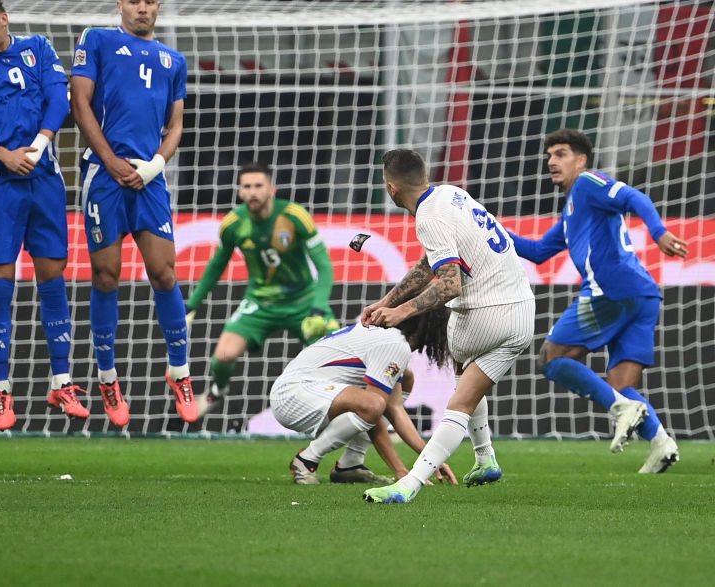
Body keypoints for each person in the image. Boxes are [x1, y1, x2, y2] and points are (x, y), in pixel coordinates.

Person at [506, 128, 687, 473]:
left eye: (560, 154)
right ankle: (662, 443)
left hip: (611, 292)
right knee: (622, 385)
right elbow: (539, 252)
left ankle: (621, 409)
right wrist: (489, 228)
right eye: (549, 156)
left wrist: (658, 230)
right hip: (643, 296)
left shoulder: (589, 183)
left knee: (550, 357)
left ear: (581, 159)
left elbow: (635, 198)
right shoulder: (573, 209)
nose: (551, 162)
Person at [360, 148, 535, 504]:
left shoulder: (428, 218)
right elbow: (429, 265)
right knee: (464, 372)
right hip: (521, 312)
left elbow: (450, 283)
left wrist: (401, 313)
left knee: (460, 400)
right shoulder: (451, 194)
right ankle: (485, 458)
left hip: (488, 313)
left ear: (391, 188)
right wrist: (385, 302)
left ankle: (407, 485)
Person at [0, 0, 85, 429]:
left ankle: (62, 381)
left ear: (4, 19)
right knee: (0, 284)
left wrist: (37, 148)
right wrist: (2, 155)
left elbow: (59, 102)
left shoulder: (38, 48)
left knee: (52, 277)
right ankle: (1, 391)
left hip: (44, 178)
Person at [70, 0, 196, 426]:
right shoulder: (98, 40)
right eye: (134, 1)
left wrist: (153, 166)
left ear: (158, 8)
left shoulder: (173, 59)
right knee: (107, 276)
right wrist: (111, 162)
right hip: (104, 177)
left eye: (150, 1)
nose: (143, 8)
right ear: (120, 4)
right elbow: (79, 103)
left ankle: (180, 372)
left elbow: (175, 124)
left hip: (149, 179)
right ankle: (107, 377)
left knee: (164, 272)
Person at [185, 162, 340, 418]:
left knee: (339, 356)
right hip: (259, 302)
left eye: (259, 186)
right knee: (223, 355)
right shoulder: (233, 224)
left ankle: (364, 412)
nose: (253, 192)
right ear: (239, 192)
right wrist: (192, 304)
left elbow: (325, 266)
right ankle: (216, 390)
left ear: (272, 189)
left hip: (304, 302)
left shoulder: (294, 216)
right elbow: (216, 265)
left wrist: (317, 307)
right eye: (247, 187)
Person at [272, 304, 458, 487]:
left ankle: (350, 464)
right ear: (431, 326)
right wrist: (401, 471)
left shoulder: (389, 338)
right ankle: (307, 459)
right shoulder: (394, 344)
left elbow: (394, 408)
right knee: (373, 404)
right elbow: (376, 408)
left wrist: (431, 458)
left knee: (403, 380)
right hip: (293, 395)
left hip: (302, 391)